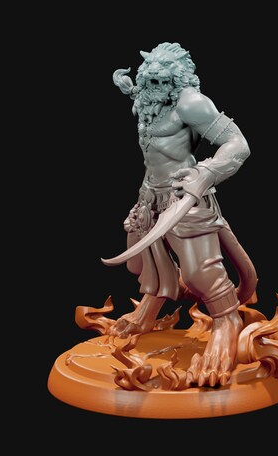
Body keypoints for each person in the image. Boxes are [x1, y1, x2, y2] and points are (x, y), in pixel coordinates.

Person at [107, 42, 256, 387]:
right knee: (140, 264)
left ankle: (227, 322)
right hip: (149, 194)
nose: (155, 88)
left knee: (201, 273)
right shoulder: (148, 97)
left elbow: (238, 143)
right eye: (150, 81)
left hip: (184, 197)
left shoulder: (191, 103)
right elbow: (145, 97)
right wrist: (130, 88)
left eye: (163, 82)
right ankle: (153, 302)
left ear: (178, 81)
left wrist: (206, 173)